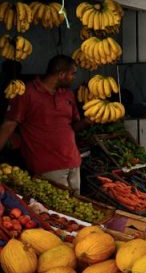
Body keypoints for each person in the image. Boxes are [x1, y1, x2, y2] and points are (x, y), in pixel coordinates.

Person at [0, 55, 84, 191]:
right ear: (61, 74)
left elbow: (72, 127)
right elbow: (9, 125)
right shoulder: (26, 92)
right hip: (47, 165)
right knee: (57, 210)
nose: (74, 77)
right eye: (72, 73)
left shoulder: (68, 94)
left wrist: (87, 121)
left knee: (76, 207)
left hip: (73, 161)